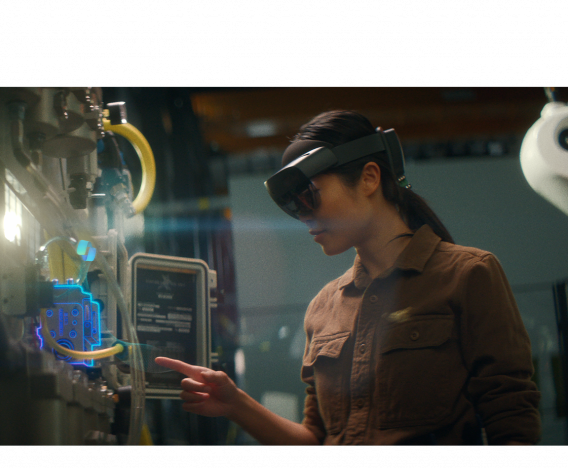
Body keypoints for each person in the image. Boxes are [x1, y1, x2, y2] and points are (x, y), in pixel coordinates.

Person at [155, 110, 542, 446]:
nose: (303, 215)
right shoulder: (323, 308)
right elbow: (316, 439)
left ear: (370, 178)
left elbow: (513, 422)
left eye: (309, 195)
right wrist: (236, 405)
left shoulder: (469, 275)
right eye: (293, 206)